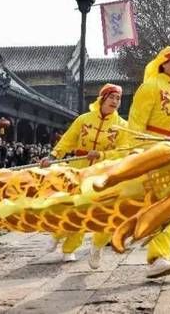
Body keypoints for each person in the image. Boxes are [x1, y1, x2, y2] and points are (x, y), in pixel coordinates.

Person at [125, 46, 170, 278]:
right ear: (163, 63)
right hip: (154, 150)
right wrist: (138, 152)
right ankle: (157, 257)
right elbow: (136, 123)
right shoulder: (149, 87)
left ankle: (159, 256)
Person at [40, 83, 129, 266]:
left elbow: (124, 151)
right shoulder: (83, 119)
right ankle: (57, 234)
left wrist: (103, 154)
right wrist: (53, 156)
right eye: (111, 97)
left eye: (118, 98)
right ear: (102, 98)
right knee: (73, 206)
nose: (115, 101)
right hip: (80, 169)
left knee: (91, 212)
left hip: (104, 173)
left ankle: (72, 248)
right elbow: (67, 140)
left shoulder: (122, 126)